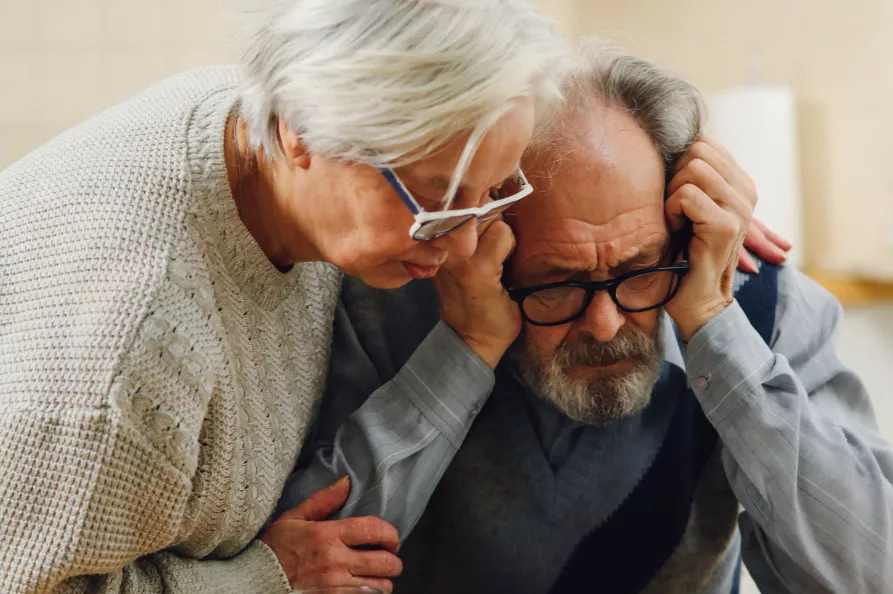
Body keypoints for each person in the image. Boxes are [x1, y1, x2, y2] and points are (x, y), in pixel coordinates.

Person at [279, 43, 893, 593]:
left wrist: (717, 332)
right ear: (487, 241)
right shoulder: (393, 298)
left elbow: (880, 579)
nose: (607, 324)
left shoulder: (757, 305)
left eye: (639, 270)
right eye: (558, 284)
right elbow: (305, 566)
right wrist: (464, 348)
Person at [0, 1, 575, 592]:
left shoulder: (250, 138)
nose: (463, 245)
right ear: (300, 128)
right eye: (437, 197)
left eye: (493, 191)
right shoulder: (134, 356)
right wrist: (264, 579)